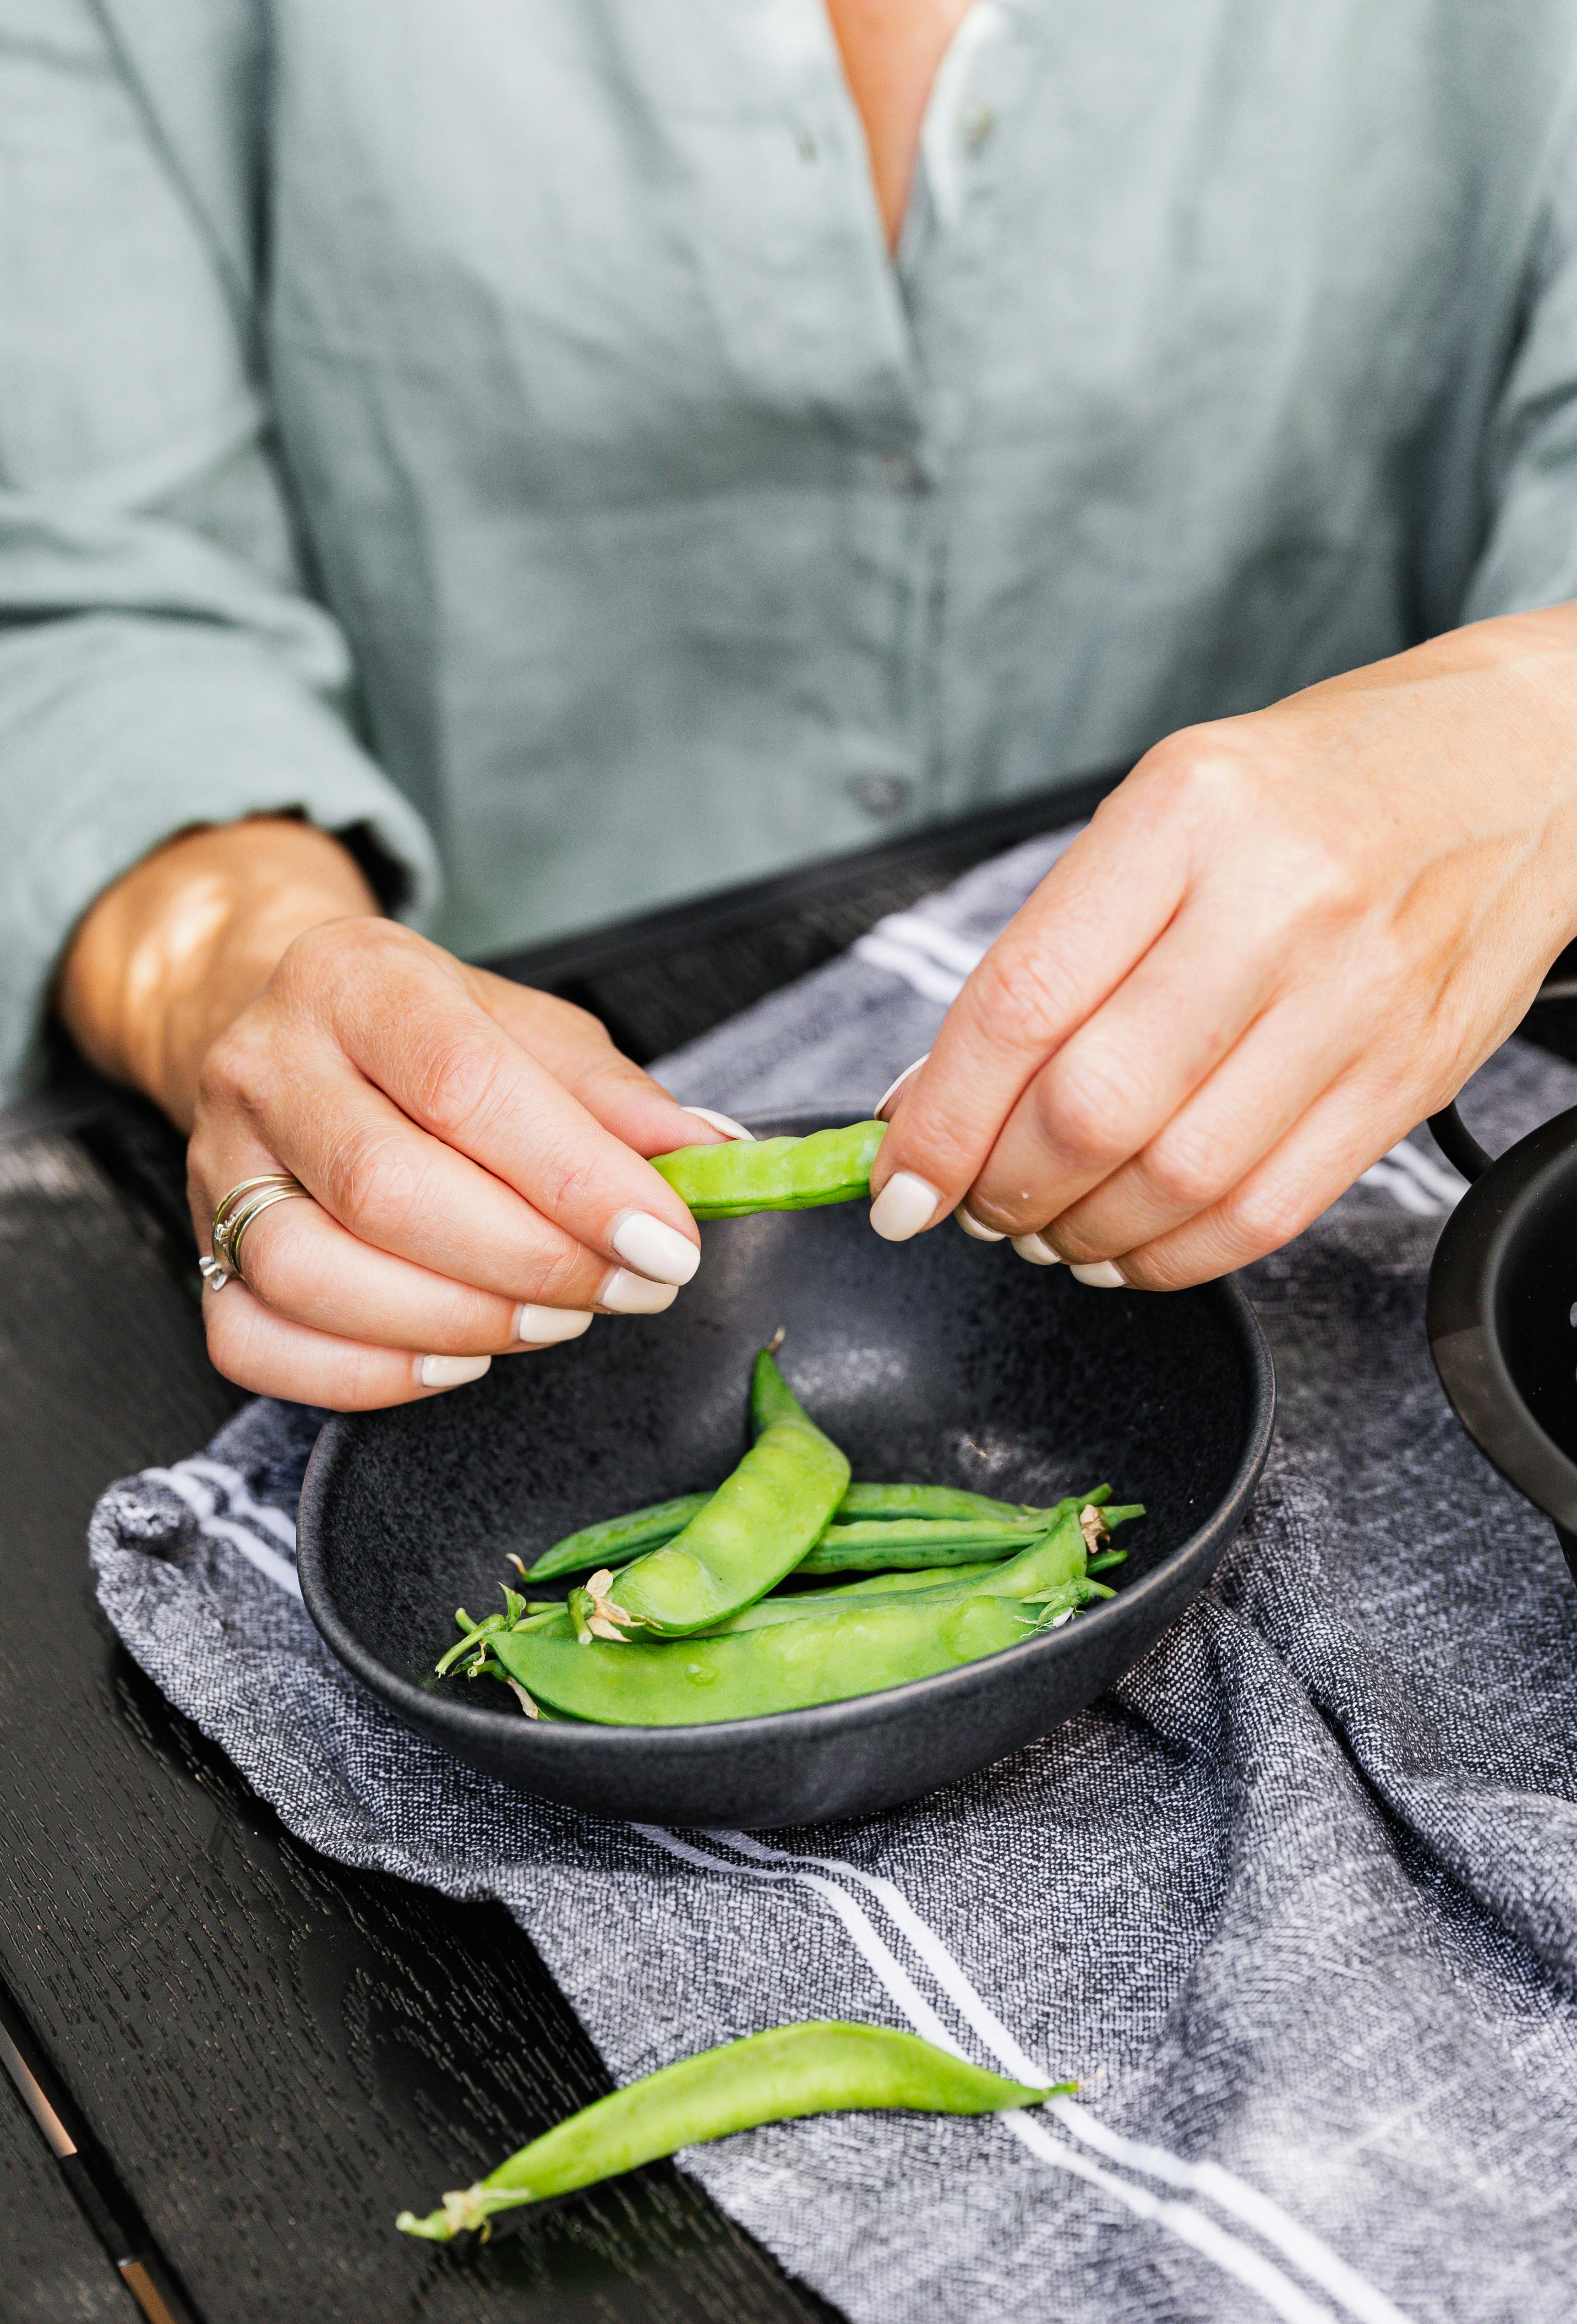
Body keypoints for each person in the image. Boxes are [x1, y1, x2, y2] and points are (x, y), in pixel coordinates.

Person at [7, 1, 1577, 1411]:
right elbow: (82, 595)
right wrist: (249, 973)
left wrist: (1528, 725)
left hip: (1392, 1153)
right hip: (497, 1171)